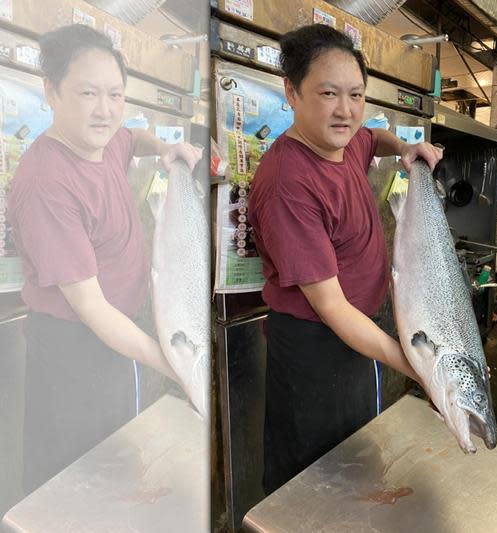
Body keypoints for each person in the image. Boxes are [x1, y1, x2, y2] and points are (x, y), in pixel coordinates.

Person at [247, 24, 443, 495]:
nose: (346, 110)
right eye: (329, 93)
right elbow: (331, 308)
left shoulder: (344, 140)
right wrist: (418, 367)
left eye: (356, 94)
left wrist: (406, 148)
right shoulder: (288, 182)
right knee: (316, 483)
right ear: (291, 91)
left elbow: (372, 136)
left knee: (357, 458)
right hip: (316, 349)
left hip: (359, 335)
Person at [7, 24, 202, 494]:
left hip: (116, 339)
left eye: (115, 94)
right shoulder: (47, 182)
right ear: (51, 91)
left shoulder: (103, 141)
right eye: (89, 93)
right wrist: (176, 363)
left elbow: (131, 138)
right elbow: (91, 309)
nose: (105, 109)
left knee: (117, 463)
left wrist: (167, 147)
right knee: (74, 485)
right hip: (75, 353)